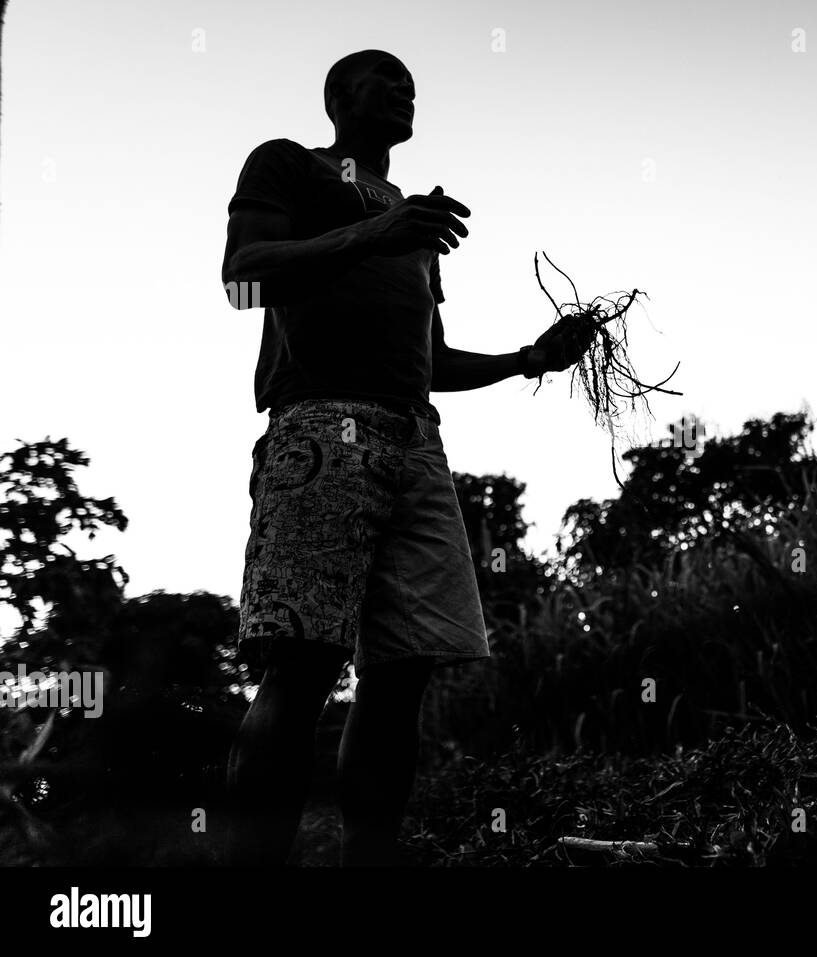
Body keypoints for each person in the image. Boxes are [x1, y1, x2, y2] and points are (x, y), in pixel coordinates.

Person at [220, 49, 593, 866]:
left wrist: (531, 357)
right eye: (385, 78)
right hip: (322, 429)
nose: (405, 90)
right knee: (306, 660)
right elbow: (242, 280)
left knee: (401, 673)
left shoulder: (413, 224)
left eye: (412, 84)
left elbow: (434, 358)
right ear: (336, 96)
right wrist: (371, 229)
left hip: (417, 445)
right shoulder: (289, 166)